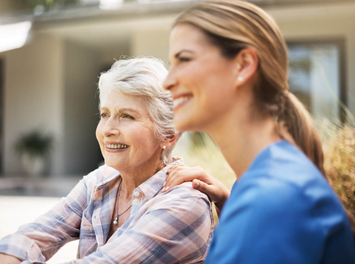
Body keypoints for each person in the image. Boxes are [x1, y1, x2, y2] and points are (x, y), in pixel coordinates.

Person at [162, 0, 355, 263]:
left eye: (183, 59)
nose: (167, 81)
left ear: (242, 65)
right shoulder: (255, 187)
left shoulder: (273, 199)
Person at [0, 57, 213, 264]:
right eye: (104, 114)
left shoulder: (186, 203)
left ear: (168, 135)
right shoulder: (99, 182)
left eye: (127, 116)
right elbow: (27, 238)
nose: (107, 130)